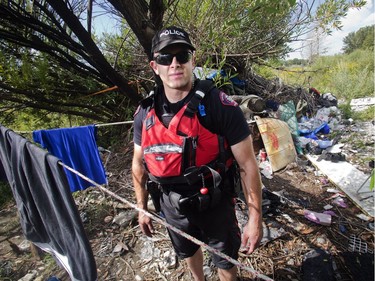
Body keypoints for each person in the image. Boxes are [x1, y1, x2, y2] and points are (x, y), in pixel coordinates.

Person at [132, 26, 263, 281]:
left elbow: (248, 165)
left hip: (214, 200)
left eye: (182, 55)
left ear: (193, 60)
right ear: (154, 66)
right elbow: (138, 164)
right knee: (187, 250)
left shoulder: (221, 107)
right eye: (164, 58)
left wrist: (255, 218)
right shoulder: (144, 112)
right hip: (170, 203)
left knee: (225, 258)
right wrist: (142, 207)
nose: (174, 64)